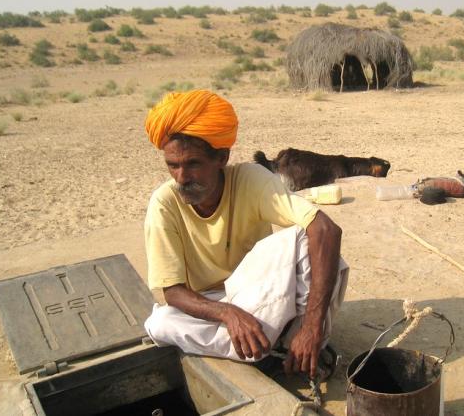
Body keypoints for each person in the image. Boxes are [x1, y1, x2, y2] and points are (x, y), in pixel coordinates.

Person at [142, 90, 348, 379]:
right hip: (210, 306)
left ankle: (299, 341)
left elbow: (326, 228)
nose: (182, 178)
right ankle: (273, 353)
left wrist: (312, 326)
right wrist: (229, 314)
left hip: (259, 290)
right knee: (160, 323)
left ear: (221, 157)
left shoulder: (250, 179)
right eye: (173, 166)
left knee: (308, 240)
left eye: (193, 164)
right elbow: (173, 292)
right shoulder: (164, 204)